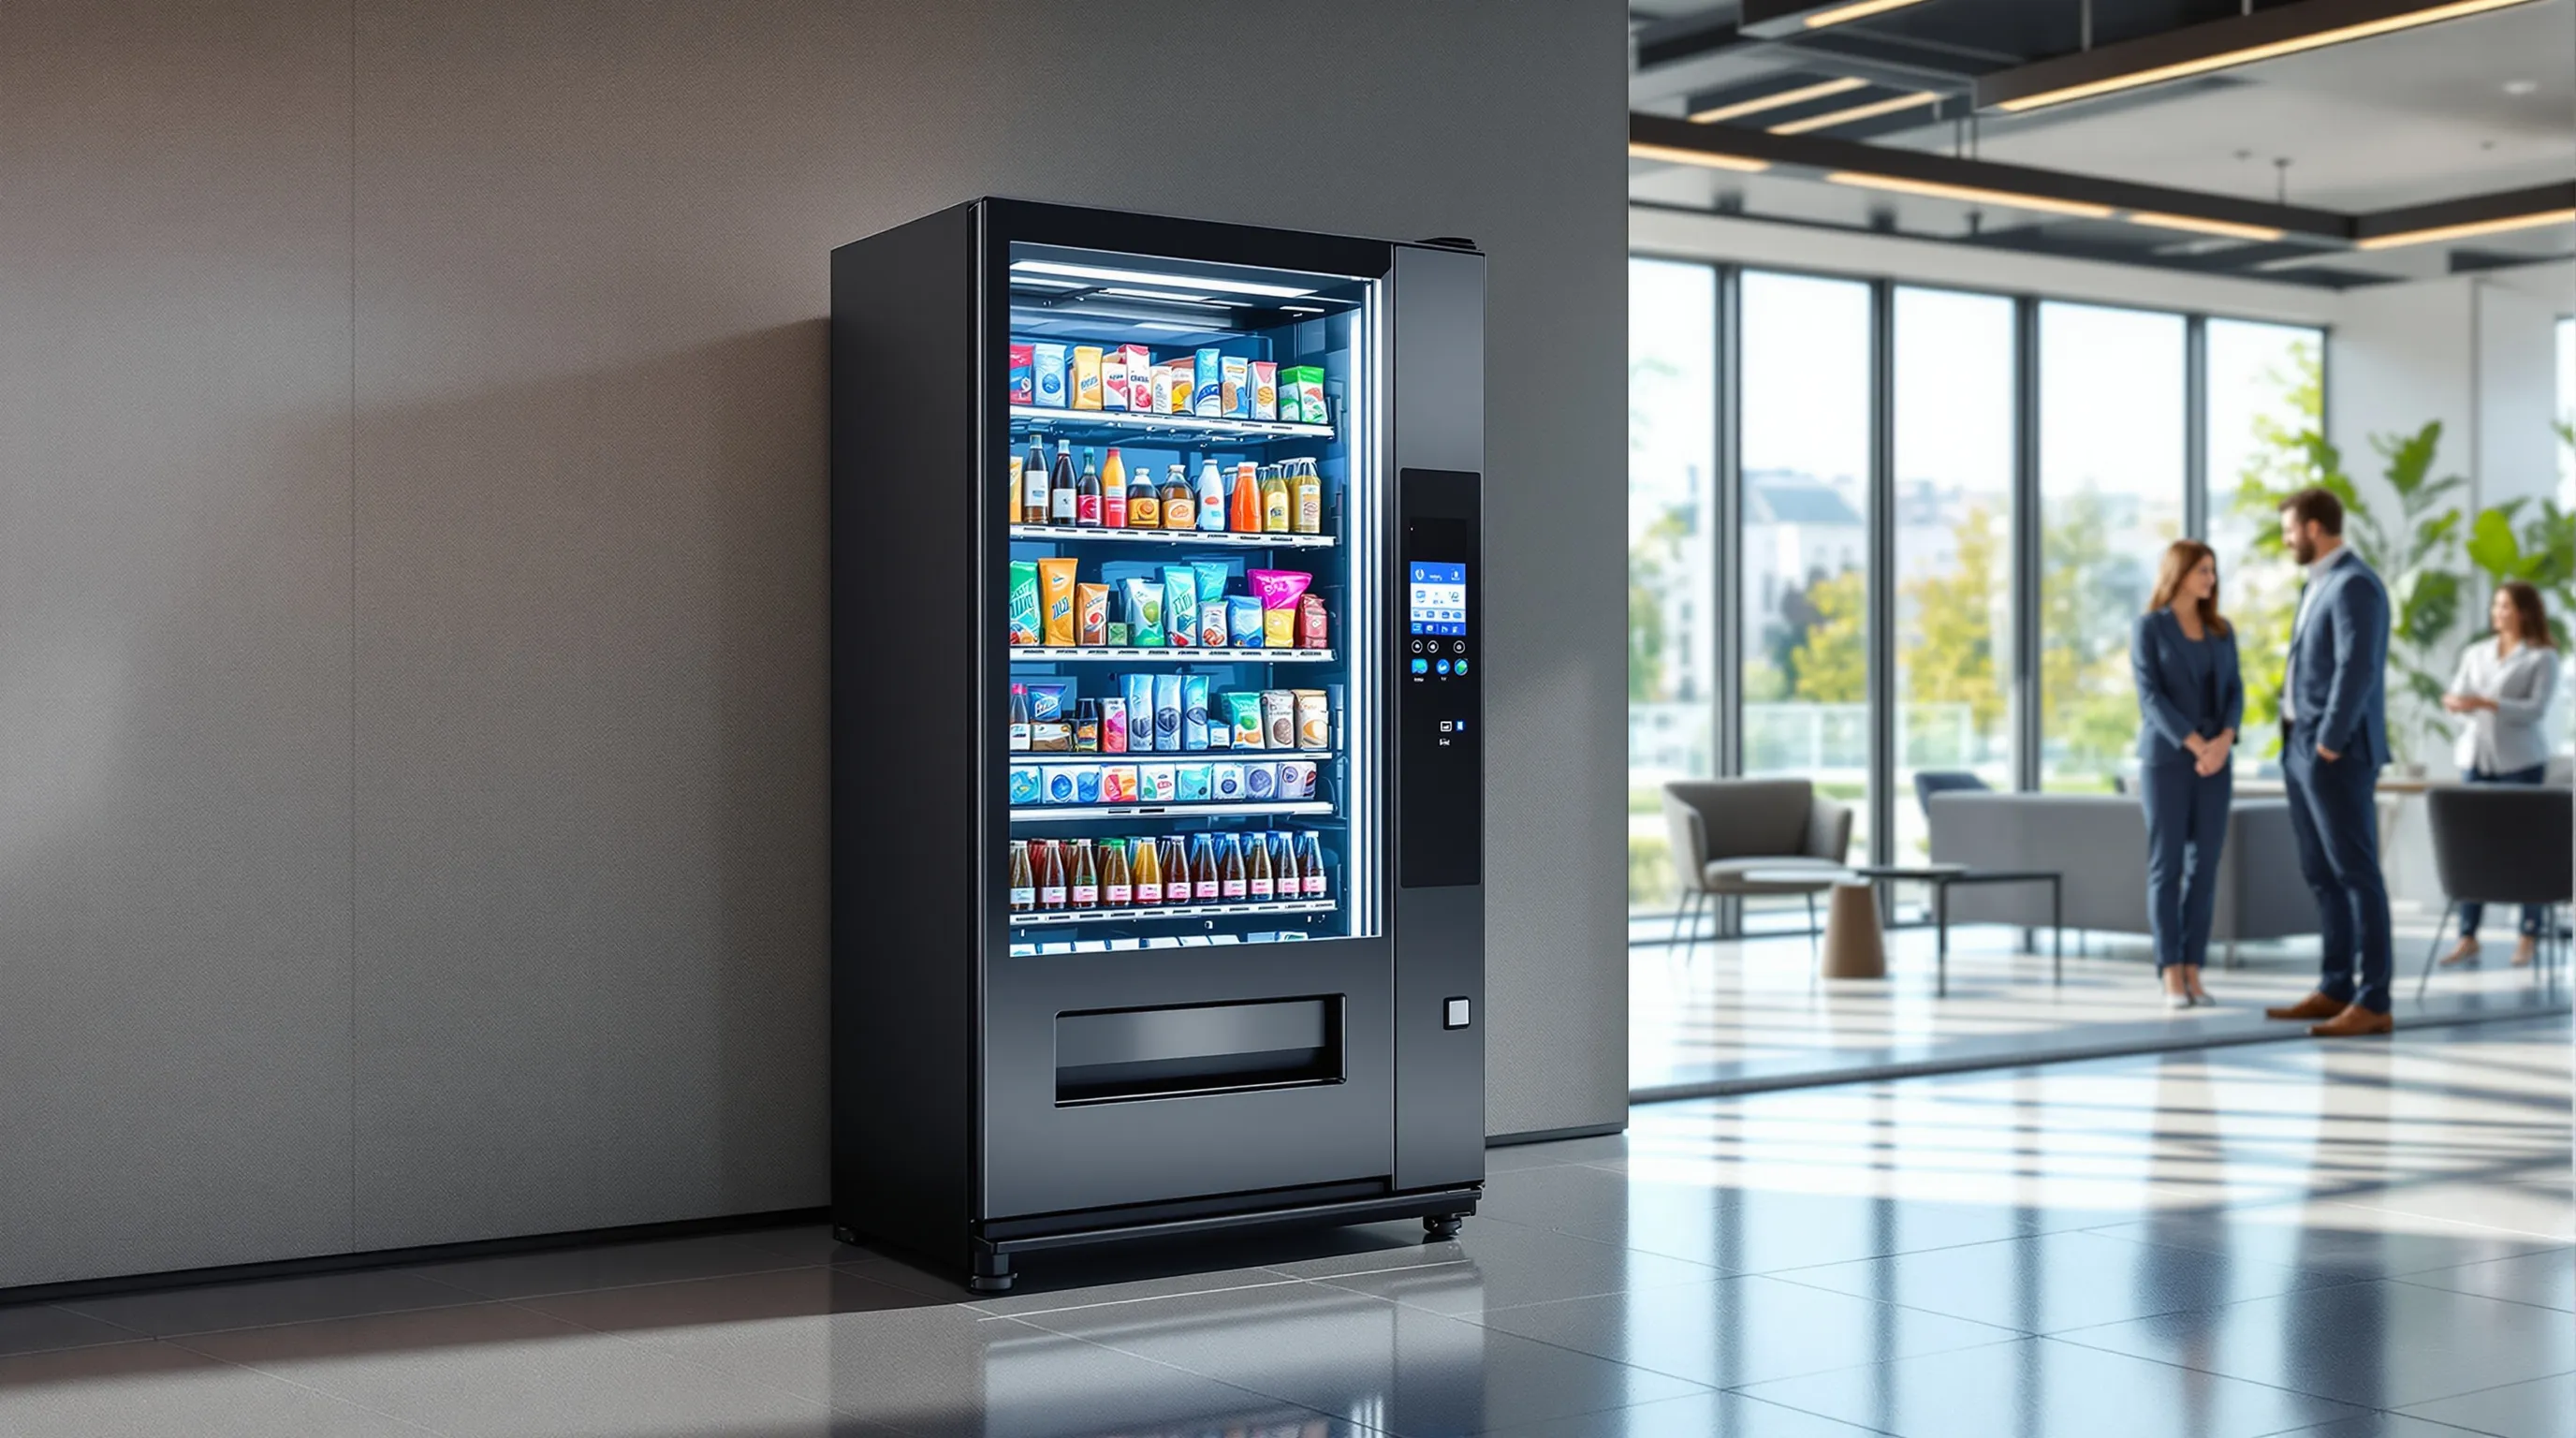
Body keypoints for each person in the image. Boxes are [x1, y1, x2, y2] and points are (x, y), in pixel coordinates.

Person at [2262, 488, 2395, 1037]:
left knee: (2356, 872)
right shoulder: (2316, 584)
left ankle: (2374, 998)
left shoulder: (2355, 584)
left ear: (2316, 527)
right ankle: (2336, 985)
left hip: (2333, 751)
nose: (2287, 538)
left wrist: (2330, 742)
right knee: (2321, 874)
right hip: (2300, 747)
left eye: (2291, 529)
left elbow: (2355, 667)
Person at [2133, 540, 2242, 1010]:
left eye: (2213, 571)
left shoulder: (2221, 630)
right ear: (2178, 572)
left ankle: (2195, 968)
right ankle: (2170, 972)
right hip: (2168, 761)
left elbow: (2236, 689)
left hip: (2216, 763)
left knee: (2205, 868)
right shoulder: (2149, 628)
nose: (2210, 579)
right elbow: (2151, 698)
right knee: (2168, 867)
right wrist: (2197, 744)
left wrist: (2223, 741)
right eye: (2203, 570)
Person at [2437, 580, 2561, 969]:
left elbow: (2534, 710)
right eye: (2495, 605)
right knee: (2470, 848)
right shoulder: (2477, 653)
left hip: (2520, 763)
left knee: (2525, 850)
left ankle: (2528, 933)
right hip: (2476, 759)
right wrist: (2458, 703)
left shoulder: (2542, 657)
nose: (2497, 612)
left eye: (2505, 606)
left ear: (2524, 611)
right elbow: (2456, 693)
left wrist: (2485, 702)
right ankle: (2467, 935)